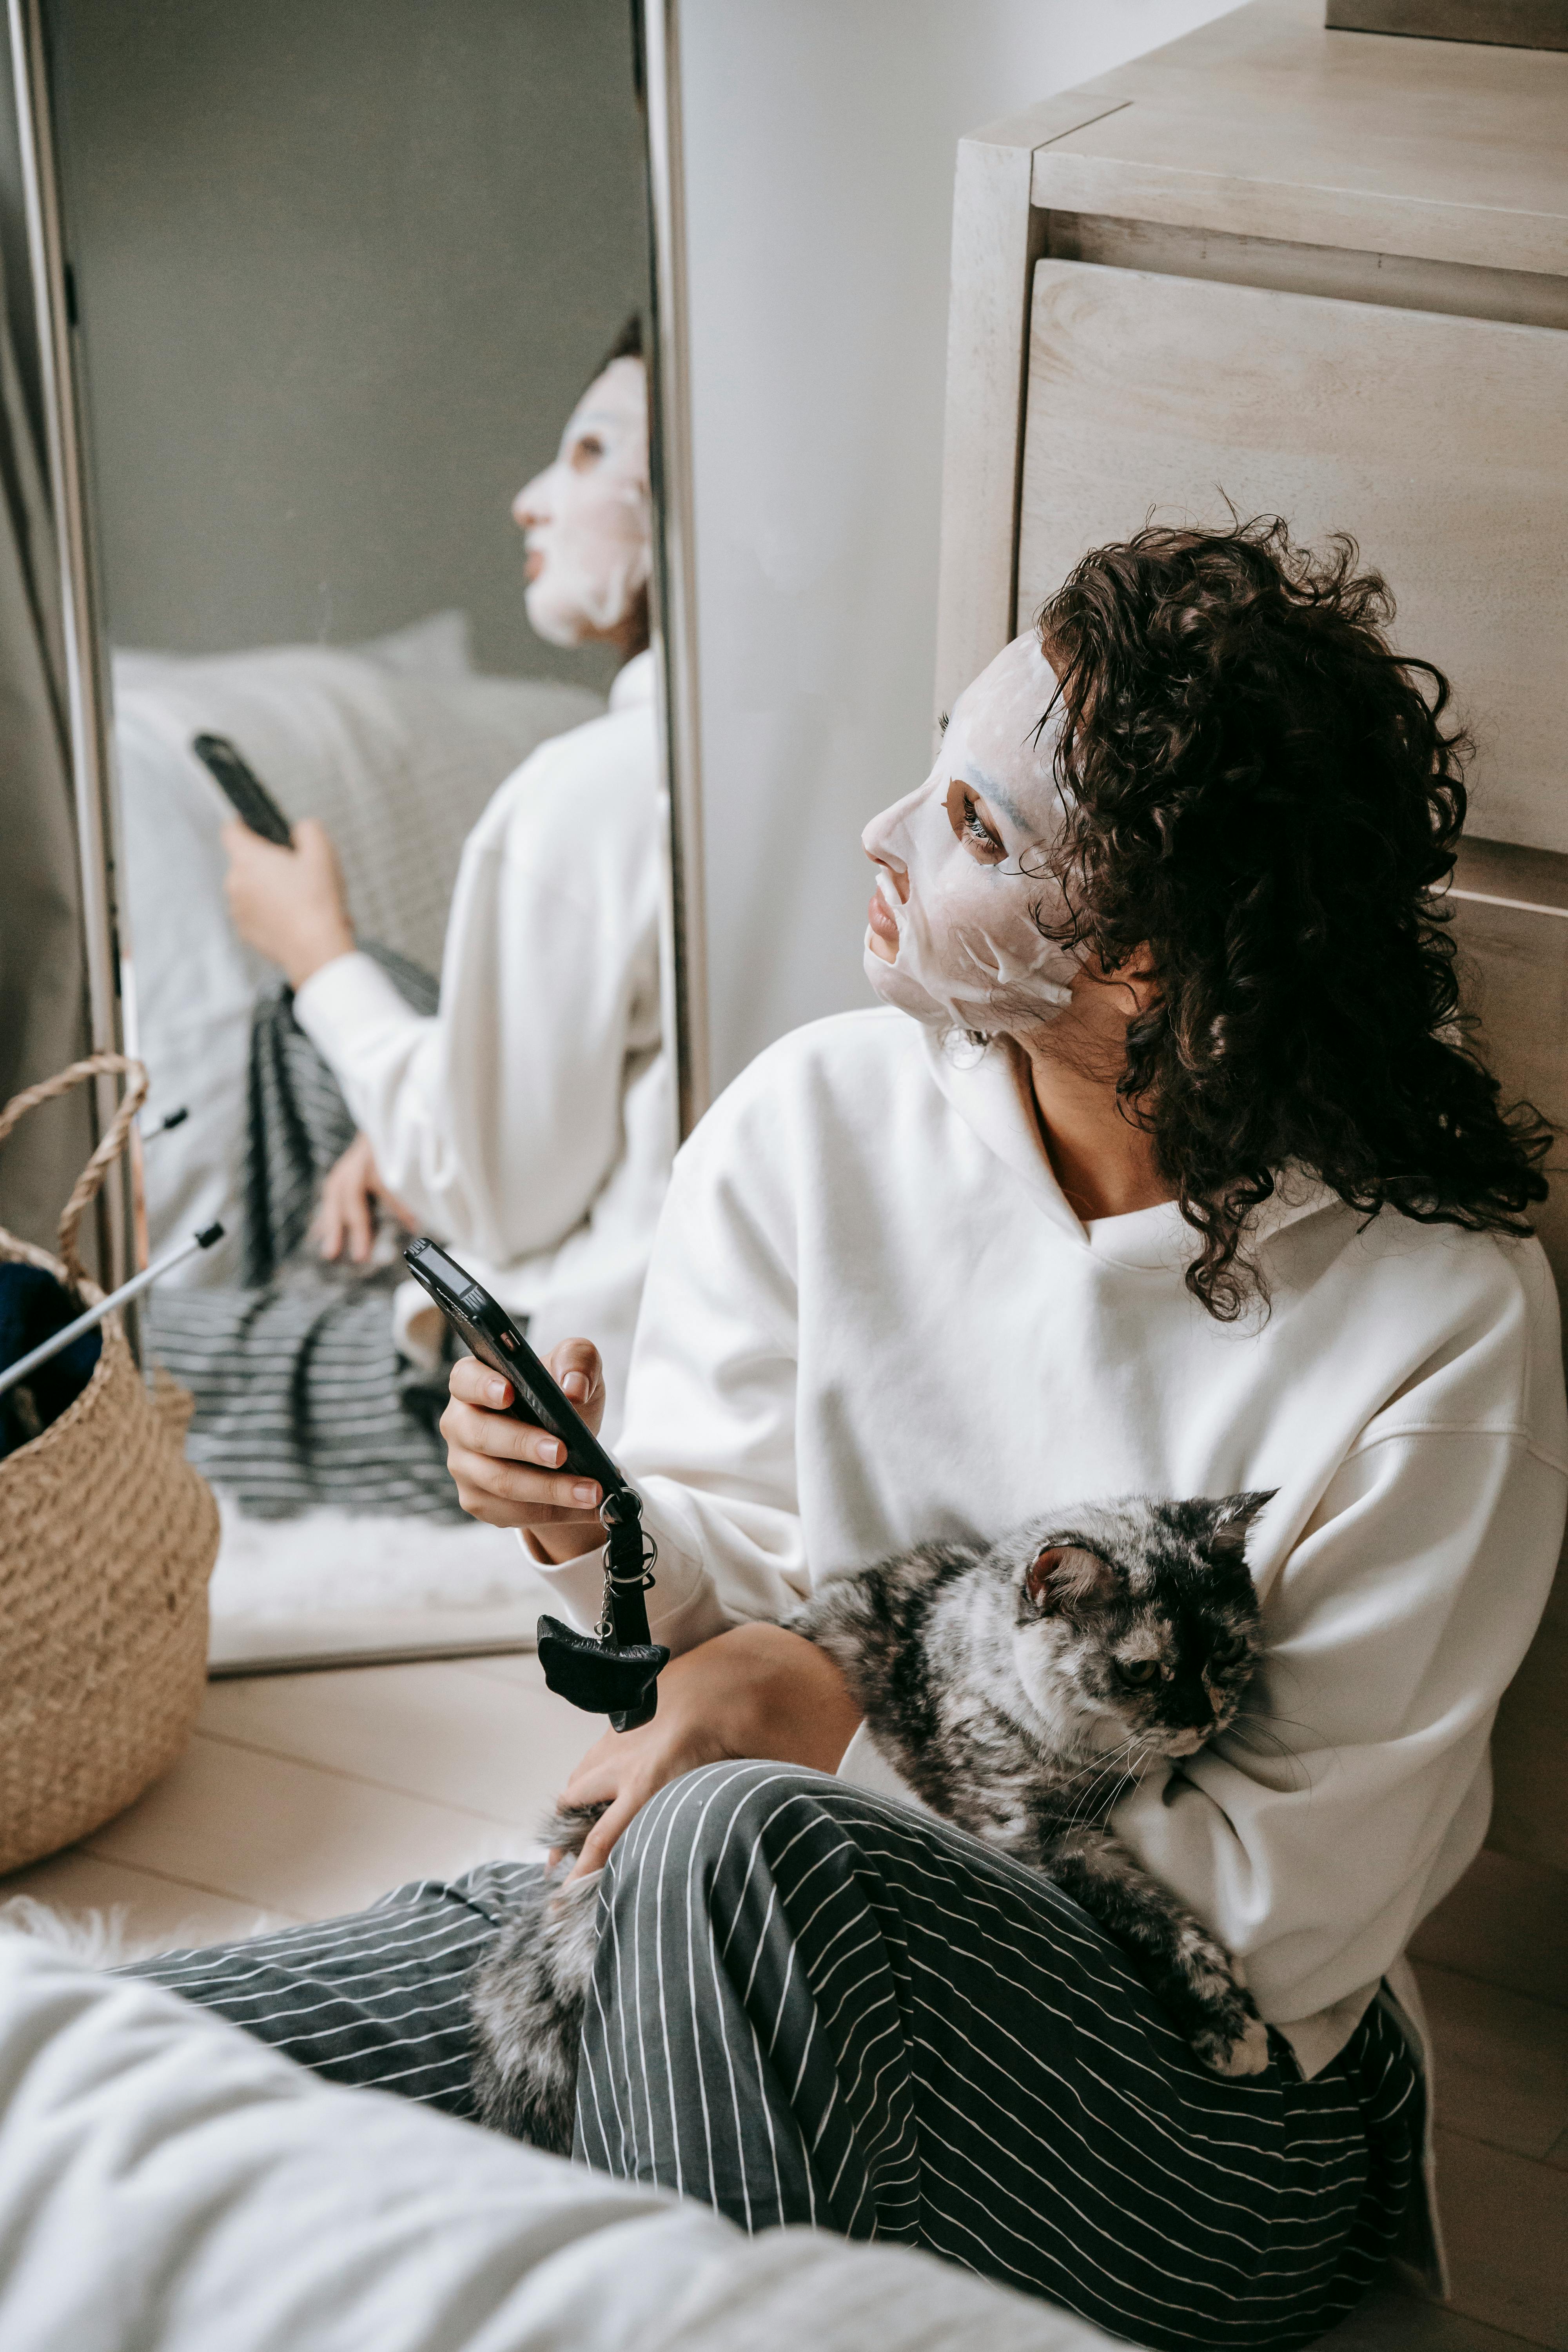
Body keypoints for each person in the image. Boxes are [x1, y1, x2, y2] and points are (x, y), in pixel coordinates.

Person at [125, 520, 1566, 2351]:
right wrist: (585, 1525)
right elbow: (709, 1609)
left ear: (1141, 966)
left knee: (736, 1857)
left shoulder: (1438, 1326)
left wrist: (806, 1709)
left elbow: (1278, 1925)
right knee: (128, 2061)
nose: (883, 836)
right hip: (741, 1904)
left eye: (973, 826)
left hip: (1218, 2113)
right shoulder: (816, 1117)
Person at [148, 323, 670, 1514]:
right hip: (602, 1270)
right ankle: (349, 1310)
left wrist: (313, 949)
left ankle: (361, 1351)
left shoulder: (583, 794)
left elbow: (494, 1197)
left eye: (592, 454)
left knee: (104, 1358)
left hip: (555, 1406)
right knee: (317, 1022)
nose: (532, 500)